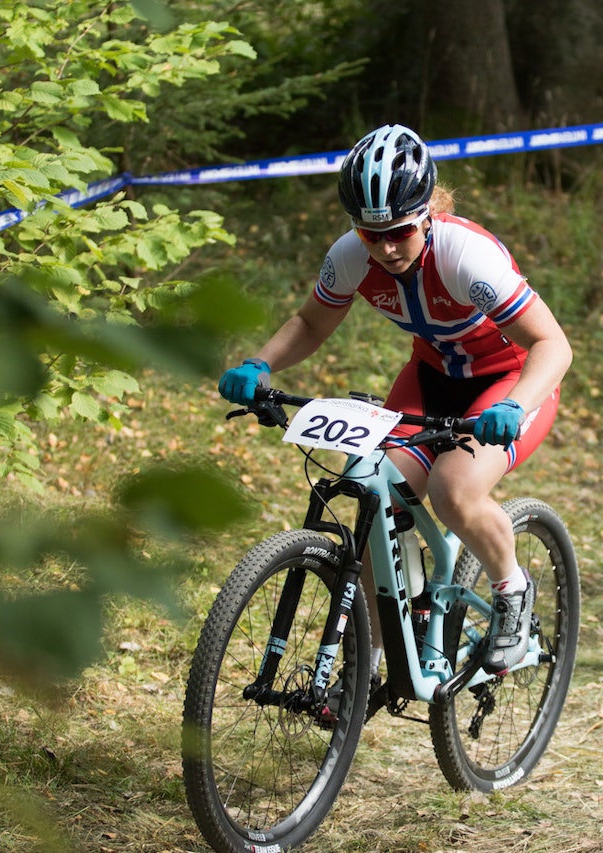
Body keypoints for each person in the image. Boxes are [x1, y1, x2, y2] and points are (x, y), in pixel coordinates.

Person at [218, 124, 572, 677]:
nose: (384, 248)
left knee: (454, 490)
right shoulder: (352, 257)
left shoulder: (464, 257)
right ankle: (372, 663)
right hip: (431, 378)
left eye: (399, 232)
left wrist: (516, 405)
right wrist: (260, 364)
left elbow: (553, 344)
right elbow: (311, 322)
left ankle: (513, 594)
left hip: (510, 382)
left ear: (426, 213)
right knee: (371, 491)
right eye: (369, 234)